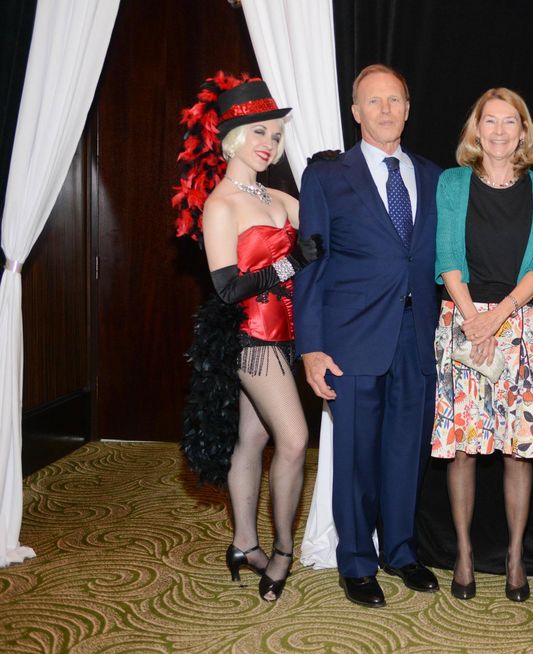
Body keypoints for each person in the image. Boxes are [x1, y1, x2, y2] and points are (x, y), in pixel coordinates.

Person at [293, 64, 442, 608]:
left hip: (418, 336)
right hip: (350, 340)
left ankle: (400, 551)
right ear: (355, 112)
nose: (385, 110)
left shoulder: (433, 175)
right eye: (373, 101)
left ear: (408, 107)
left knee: (407, 451)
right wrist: (310, 346)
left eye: (395, 100)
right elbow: (310, 265)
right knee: (354, 454)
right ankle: (355, 560)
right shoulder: (326, 177)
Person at [175, 74, 318, 602]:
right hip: (252, 337)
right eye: (259, 133)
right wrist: (290, 263)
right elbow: (227, 287)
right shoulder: (221, 205)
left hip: (288, 333)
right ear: (234, 137)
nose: (269, 145)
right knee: (296, 440)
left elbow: (328, 230)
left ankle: (242, 543)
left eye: (276, 137)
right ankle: (281, 552)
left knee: (252, 439)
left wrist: (328, 179)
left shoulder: (277, 193)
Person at [430, 88, 533, 602]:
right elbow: (446, 255)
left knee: (518, 451)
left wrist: (498, 318)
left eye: (512, 122)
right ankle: (463, 553)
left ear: (524, 131)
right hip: (461, 320)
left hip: (519, 326)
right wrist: (473, 320)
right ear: (476, 129)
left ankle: (514, 555)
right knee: (462, 450)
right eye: (491, 121)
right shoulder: (452, 183)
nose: (501, 131)